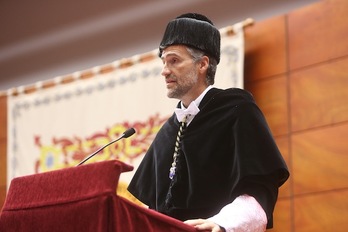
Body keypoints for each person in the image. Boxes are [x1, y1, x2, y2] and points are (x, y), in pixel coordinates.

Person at [128, 13, 289, 232]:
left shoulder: (237, 109)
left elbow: (259, 191)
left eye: (174, 60)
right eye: (164, 62)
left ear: (202, 64)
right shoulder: (167, 132)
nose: (165, 71)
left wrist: (222, 223)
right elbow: (153, 209)